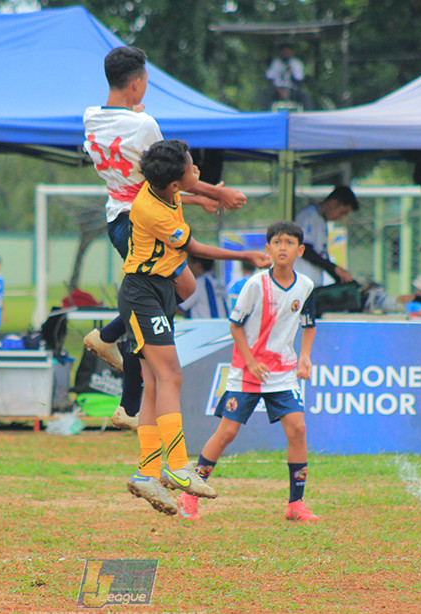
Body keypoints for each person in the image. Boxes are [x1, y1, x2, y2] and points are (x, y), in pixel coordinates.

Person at [82, 45, 248, 430]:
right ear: (138, 84)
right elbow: (172, 175)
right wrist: (216, 193)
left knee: (168, 295)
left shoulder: (90, 119)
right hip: (139, 224)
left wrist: (193, 201)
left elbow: (147, 186)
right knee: (159, 298)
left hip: (121, 218)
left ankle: (109, 341)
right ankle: (128, 401)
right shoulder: (145, 126)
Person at [119, 139, 270, 516]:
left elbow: (176, 199)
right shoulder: (154, 212)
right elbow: (196, 248)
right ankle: (178, 464)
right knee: (171, 376)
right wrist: (246, 254)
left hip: (158, 290)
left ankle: (147, 472)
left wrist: (202, 196)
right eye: (191, 168)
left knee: (156, 382)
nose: (197, 171)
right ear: (174, 182)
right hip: (143, 294)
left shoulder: (160, 192)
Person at [178, 221, 318, 522]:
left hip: (283, 373)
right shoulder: (255, 285)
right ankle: (189, 494)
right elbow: (235, 325)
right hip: (247, 372)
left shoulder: (306, 286)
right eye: (277, 242)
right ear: (267, 248)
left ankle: (296, 503)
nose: (283, 247)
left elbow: (309, 323)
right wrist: (251, 361)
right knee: (227, 432)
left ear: (300, 250)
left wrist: (305, 357)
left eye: (290, 242)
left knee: (298, 429)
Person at [294, 186, 358, 287]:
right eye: (342, 213)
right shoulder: (308, 216)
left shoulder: (322, 221)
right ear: (333, 203)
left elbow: (321, 257)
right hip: (301, 283)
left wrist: (339, 274)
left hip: (314, 283)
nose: (340, 217)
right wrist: (334, 268)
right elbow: (304, 249)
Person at [265, 43, 312, 110]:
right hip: (278, 90)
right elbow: (270, 79)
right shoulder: (275, 63)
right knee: (267, 95)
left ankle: (307, 117)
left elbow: (299, 82)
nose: (286, 54)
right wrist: (279, 90)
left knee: (305, 97)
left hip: (292, 90)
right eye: (284, 52)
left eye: (288, 52)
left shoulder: (297, 64)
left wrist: (292, 73)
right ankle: (267, 116)